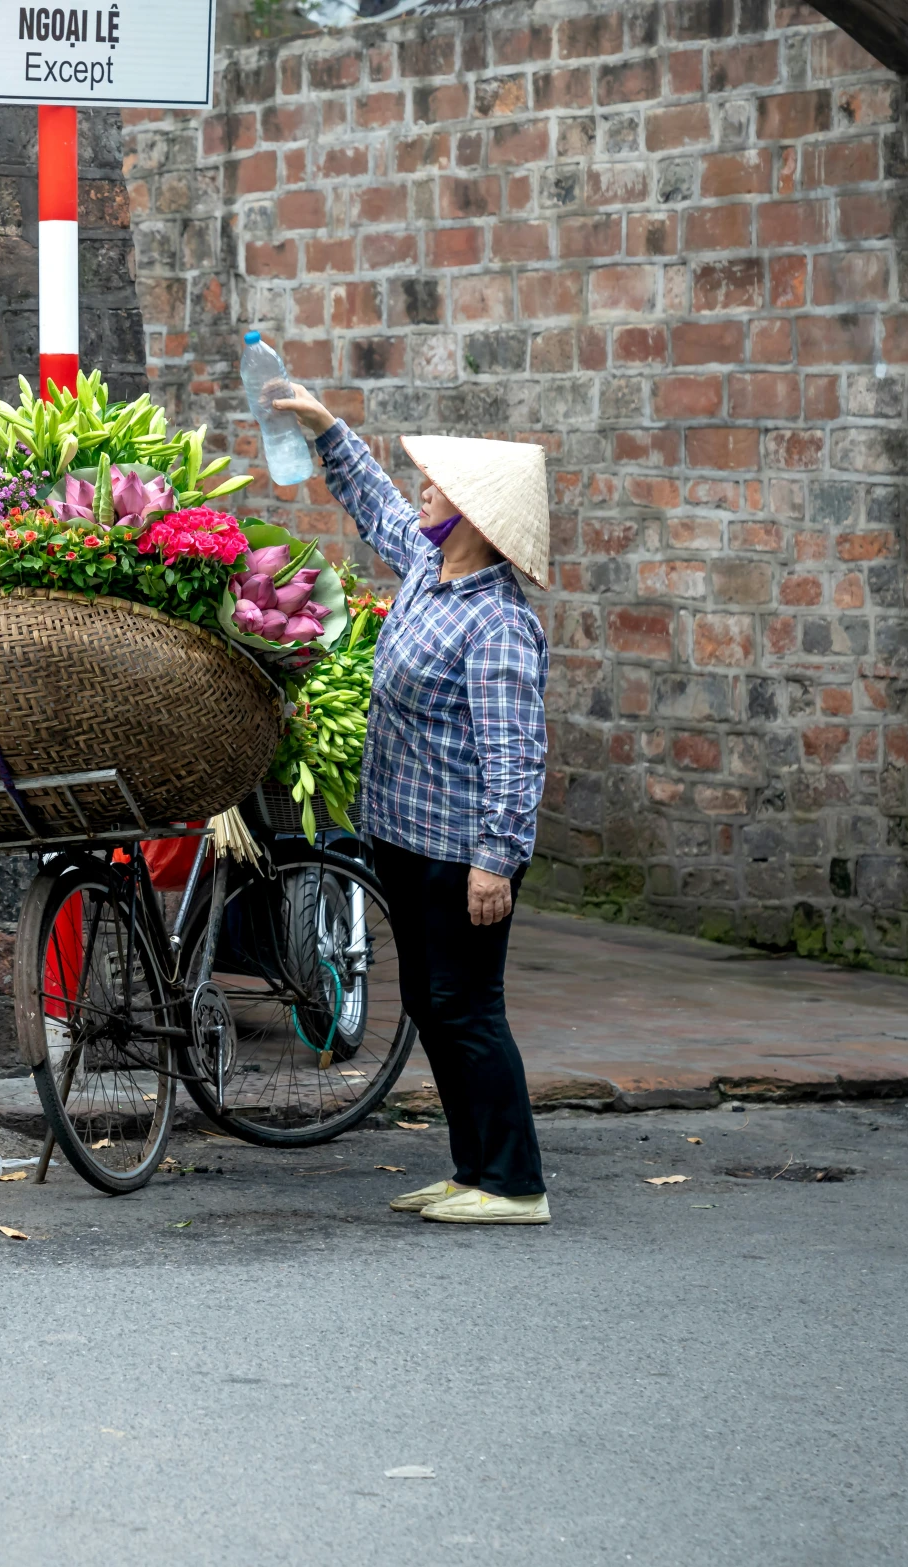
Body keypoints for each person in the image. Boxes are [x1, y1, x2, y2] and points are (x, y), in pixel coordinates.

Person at [270, 383, 554, 1225]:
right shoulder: (432, 568)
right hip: (405, 836)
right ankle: (474, 1168)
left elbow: (516, 754)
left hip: (461, 852)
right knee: (432, 1003)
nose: (422, 490)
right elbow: (374, 501)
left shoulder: (498, 623)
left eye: (436, 485)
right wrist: (324, 427)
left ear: (469, 512)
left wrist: (495, 861)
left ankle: (514, 1182)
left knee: (469, 1008)